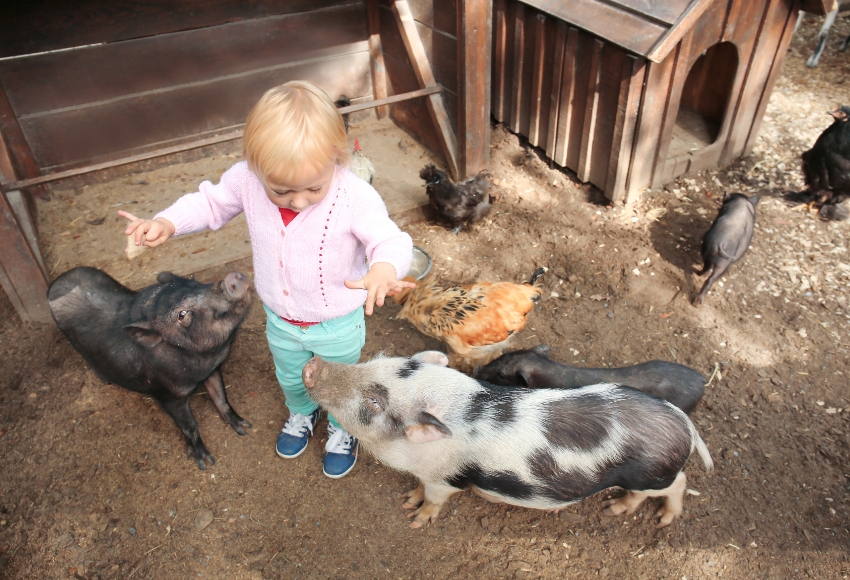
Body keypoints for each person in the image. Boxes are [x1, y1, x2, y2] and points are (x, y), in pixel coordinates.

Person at [120, 80, 414, 479]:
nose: (298, 200)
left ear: (338, 159)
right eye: (281, 190)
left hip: (337, 322)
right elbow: (209, 202)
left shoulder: (354, 197)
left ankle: (343, 429)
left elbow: (389, 239)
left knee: (343, 383)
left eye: (314, 187)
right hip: (281, 318)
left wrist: (384, 267)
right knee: (291, 375)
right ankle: (301, 413)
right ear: (254, 166)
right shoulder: (245, 180)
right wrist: (168, 221)